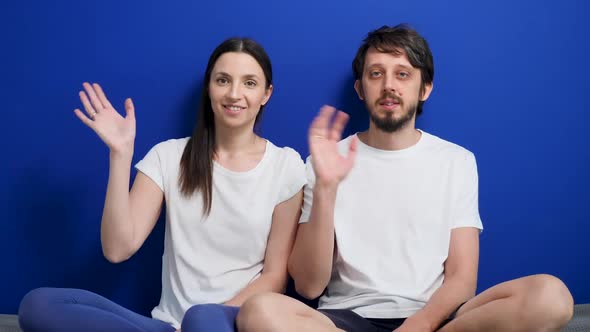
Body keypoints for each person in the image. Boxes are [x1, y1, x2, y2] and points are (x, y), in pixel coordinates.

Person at [235, 24, 574, 332]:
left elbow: (462, 278)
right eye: (376, 74)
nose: (389, 86)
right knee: (259, 312)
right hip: (346, 320)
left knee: (551, 296)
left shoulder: (456, 161)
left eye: (403, 74)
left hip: (434, 319)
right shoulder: (323, 161)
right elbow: (308, 286)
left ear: (424, 88)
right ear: (360, 88)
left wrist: (420, 325)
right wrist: (326, 188)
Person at [18, 37, 306, 332]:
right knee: (37, 305)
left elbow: (274, 276)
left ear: (266, 93)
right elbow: (118, 248)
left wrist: (207, 320)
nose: (234, 93)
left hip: (228, 324)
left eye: (249, 83)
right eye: (223, 80)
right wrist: (120, 155)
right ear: (209, 87)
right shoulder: (168, 156)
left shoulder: (286, 165)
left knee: (202, 321)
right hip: (169, 327)